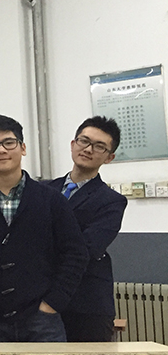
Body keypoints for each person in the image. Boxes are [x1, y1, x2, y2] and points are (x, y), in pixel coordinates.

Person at [0, 115, 88, 342]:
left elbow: (76, 254)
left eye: (9, 143)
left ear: (23, 148)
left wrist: (52, 303)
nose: (2, 150)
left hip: (42, 320)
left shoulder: (51, 199)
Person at [47, 116, 127, 342]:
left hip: (85, 304)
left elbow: (87, 249)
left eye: (99, 146)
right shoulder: (43, 189)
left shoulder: (111, 201)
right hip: (39, 299)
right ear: (73, 144)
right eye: (84, 141)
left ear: (109, 157)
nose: (88, 149)